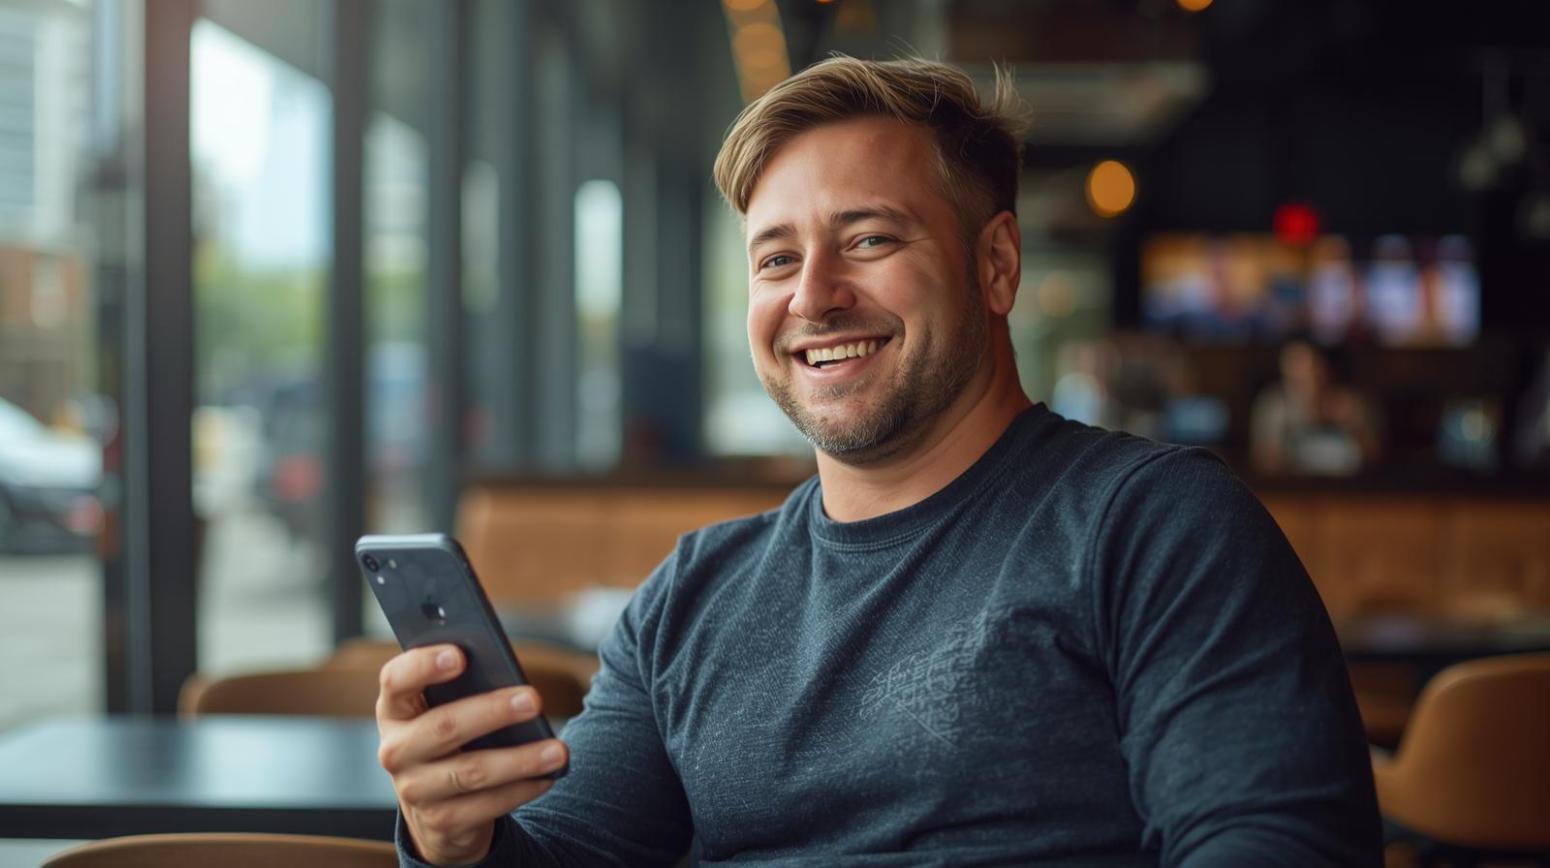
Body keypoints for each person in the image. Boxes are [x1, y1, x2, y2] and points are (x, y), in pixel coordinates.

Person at [376, 57, 1381, 867]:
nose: (812, 295)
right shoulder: (691, 594)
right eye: (775, 257)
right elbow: (571, 854)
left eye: (865, 239)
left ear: (994, 265)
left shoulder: (1153, 525)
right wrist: (457, 841)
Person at [1251, 338, 1382, 476]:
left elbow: (1376, 459)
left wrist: (1352, 425)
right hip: (1293, 491)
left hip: (1351, 491)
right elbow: (1263, 463)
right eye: (1294, 370)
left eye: (1310, 368)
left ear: (1325, 368)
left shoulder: (1353, 403)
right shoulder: (1274, 406)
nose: (1304, 377)